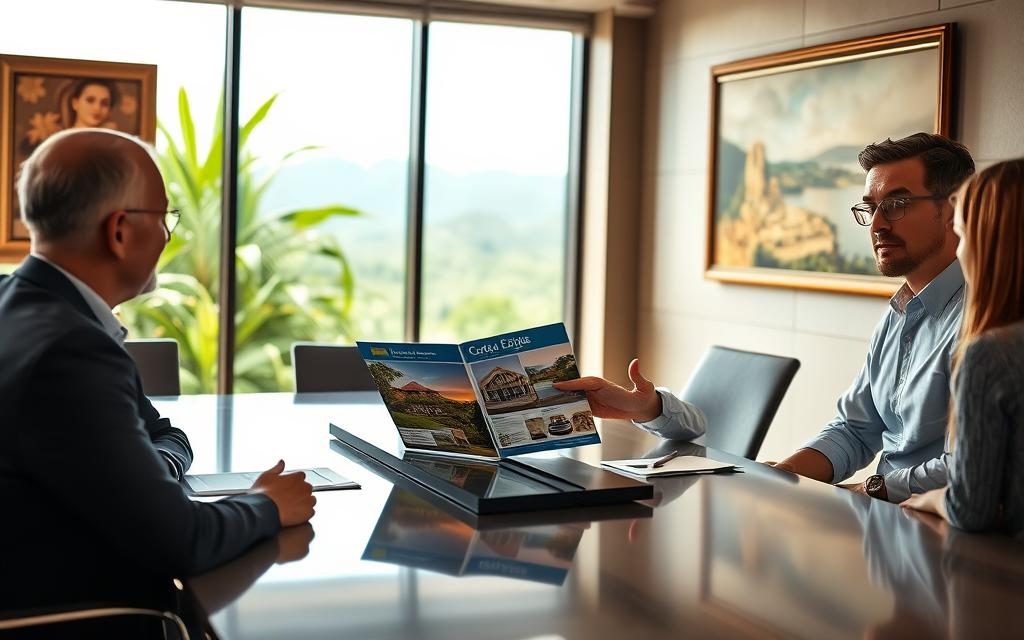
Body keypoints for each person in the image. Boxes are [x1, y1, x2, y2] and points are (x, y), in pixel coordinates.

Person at [556, 133, 975, 503]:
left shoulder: (982, 320)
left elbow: (968, 469)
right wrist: (780, 480)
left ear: (953, 209)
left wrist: (874, 489)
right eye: (871, 208)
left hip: (943, 530)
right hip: (888, 518)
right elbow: (855, 430)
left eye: (897, 204)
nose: (878, 224)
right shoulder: (900, 313)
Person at [0, 128, 315, 608]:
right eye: (165, 215)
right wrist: (268, 504)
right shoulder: (72, 351)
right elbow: (182, 542)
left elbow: (166, 434)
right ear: (120, 230)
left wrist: (144, 473)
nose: (169, 234)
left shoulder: (19, 306)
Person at [901, 159, 1024, 537]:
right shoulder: (899, 314)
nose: (959, 253)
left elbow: (971, 509)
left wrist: (929, 500)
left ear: (990, 243)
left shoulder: (990, 354)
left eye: (963, 236)